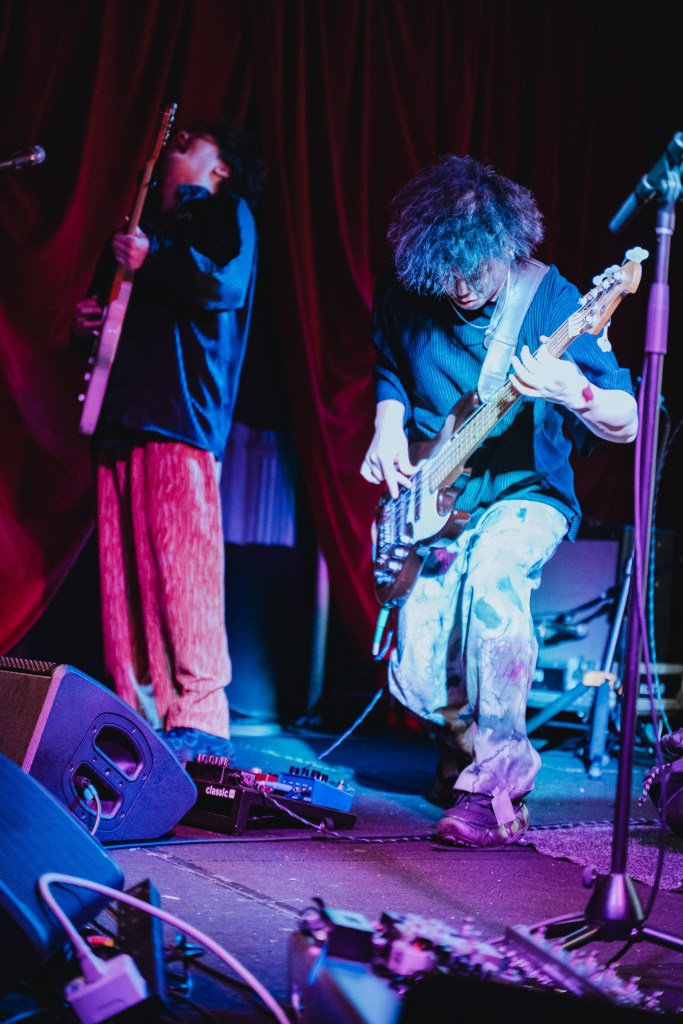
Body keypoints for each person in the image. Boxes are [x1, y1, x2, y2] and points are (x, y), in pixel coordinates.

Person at [360, 155, 638, 848]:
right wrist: (387, 423)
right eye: (446, 275)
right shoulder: (408, 289)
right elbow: (390, 362)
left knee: (492, 576)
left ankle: (498, 782)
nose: (460, 287)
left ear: (506, 248)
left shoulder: (551, 299)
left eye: (475, 271)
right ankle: (465, 750)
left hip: (526, 492)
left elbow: (627, 418)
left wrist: (572, 390)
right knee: (415, 673)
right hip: (438, 493)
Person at [72, 116, 266, 765]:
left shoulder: (225, 212)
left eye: (192, 141)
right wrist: (89, 321)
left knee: (183, 568)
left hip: (181, 413)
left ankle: (200, 716)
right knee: (125, 576)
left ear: (222, 167)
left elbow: (226, 284)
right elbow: (117, 316)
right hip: (123, 414)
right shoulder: (143, 226)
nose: (178, 145)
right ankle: (138, 715)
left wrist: (153, 256)